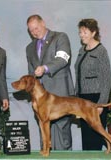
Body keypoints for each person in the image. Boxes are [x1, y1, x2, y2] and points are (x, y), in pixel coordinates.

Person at [26, 14, 75, 150]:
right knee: (43, 126)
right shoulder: (29, 48)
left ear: (43, 23)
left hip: (60, 91)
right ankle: (45, 158)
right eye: (31, 30)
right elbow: (31, 75)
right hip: (40, 97)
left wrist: (45, 68)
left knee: (62, 128)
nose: (35, 32)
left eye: (36, 28)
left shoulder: (60, 37)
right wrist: (32, 95)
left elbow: (63, 59)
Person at [74, 18, 111, 150]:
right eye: (80, 32)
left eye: (85, 32)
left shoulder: (101, 51)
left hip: (95, 98)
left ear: (93, 32)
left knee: (96, 134)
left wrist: (101, 104)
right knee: (86, 135)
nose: (81, 35)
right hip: (83, 99)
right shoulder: (81, 50)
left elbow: (107, 79)